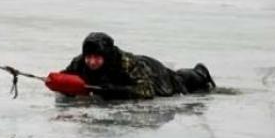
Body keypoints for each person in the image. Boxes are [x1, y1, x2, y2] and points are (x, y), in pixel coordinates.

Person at [47, 32, 216, 100]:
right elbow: (66, 77)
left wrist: (115, 91)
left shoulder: (126, 63)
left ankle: (199, 73)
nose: (91, 62)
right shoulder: (79, 62)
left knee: (178, 81)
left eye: (97, 58)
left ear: (106, 56)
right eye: (88, 57)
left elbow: (147, 91)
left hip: (154, 73)